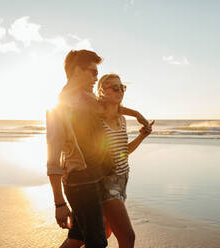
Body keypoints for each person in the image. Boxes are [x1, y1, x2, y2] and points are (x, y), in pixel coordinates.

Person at [46, 50, 150, 248]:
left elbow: (112, 107)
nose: (96, 77)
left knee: (78, 237)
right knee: (97, 242)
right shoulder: (59, 107)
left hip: (98, 178)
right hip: (81, 183)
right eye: (93, 72)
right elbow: (52, 158)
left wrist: (136, 114)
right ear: (77, 70)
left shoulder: (89, 98)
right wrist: (59, 203)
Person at [97, 73, 154, 248]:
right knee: (128, 237)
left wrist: (142, 137)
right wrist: (136, 113)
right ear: (101, 91)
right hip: (106, 183)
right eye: (114, 87)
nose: (120, 90)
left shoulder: (122, 120)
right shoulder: (96, 121)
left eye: (122, 87)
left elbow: (124, 152)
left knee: (102, 234)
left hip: (122, 181)